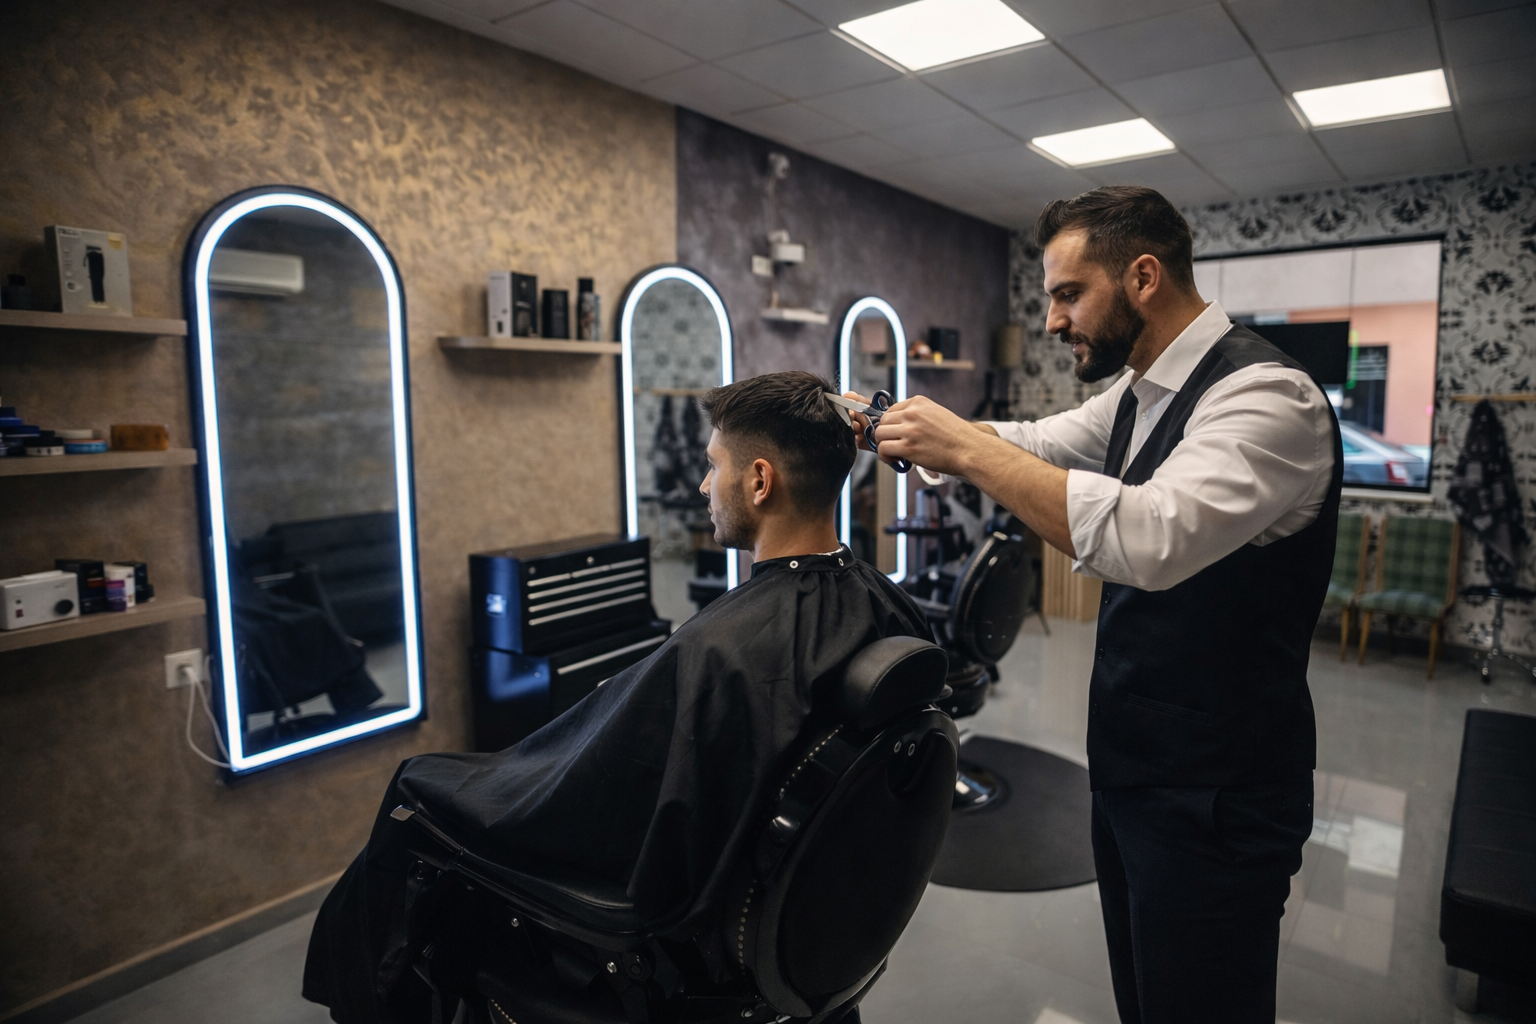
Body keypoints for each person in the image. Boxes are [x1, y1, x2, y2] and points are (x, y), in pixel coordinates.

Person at [851, 186, 1341, 1024]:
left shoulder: (1267, 398)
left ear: (1143, 277)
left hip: (1220, 793)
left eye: (1069, 293)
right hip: (1133, 770)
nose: (1051, 319)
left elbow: (1146, 540)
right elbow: (1037, 444)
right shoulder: (1139, 394)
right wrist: (900, 431)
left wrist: (963, 445)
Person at [303, 370, 928, 1023]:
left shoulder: (722, 653)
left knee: (417, 789)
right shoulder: (888, 608)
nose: (703, 486)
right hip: (810, 918)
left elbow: (625, 839)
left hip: (691, 937)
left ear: (761, 481)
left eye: (714, 468)